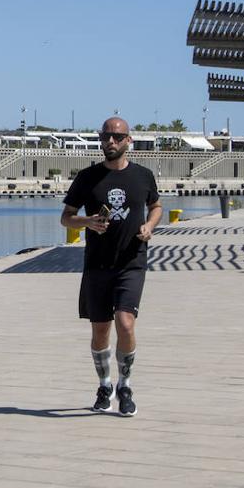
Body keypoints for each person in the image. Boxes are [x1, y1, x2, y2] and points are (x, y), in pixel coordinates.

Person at [60, 117, 162, 417]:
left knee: (125, 322)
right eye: (105, 137)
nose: (110, 142)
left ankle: (125, 386)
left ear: (128, 140)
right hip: (97, 265)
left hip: (131, 261)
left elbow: (156, 206)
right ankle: (105, 385)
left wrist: (150, 226)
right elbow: (66, 217)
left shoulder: (142, 176)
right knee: (100, 330)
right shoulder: (87, 177)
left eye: (117, 137)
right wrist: (87, 222)